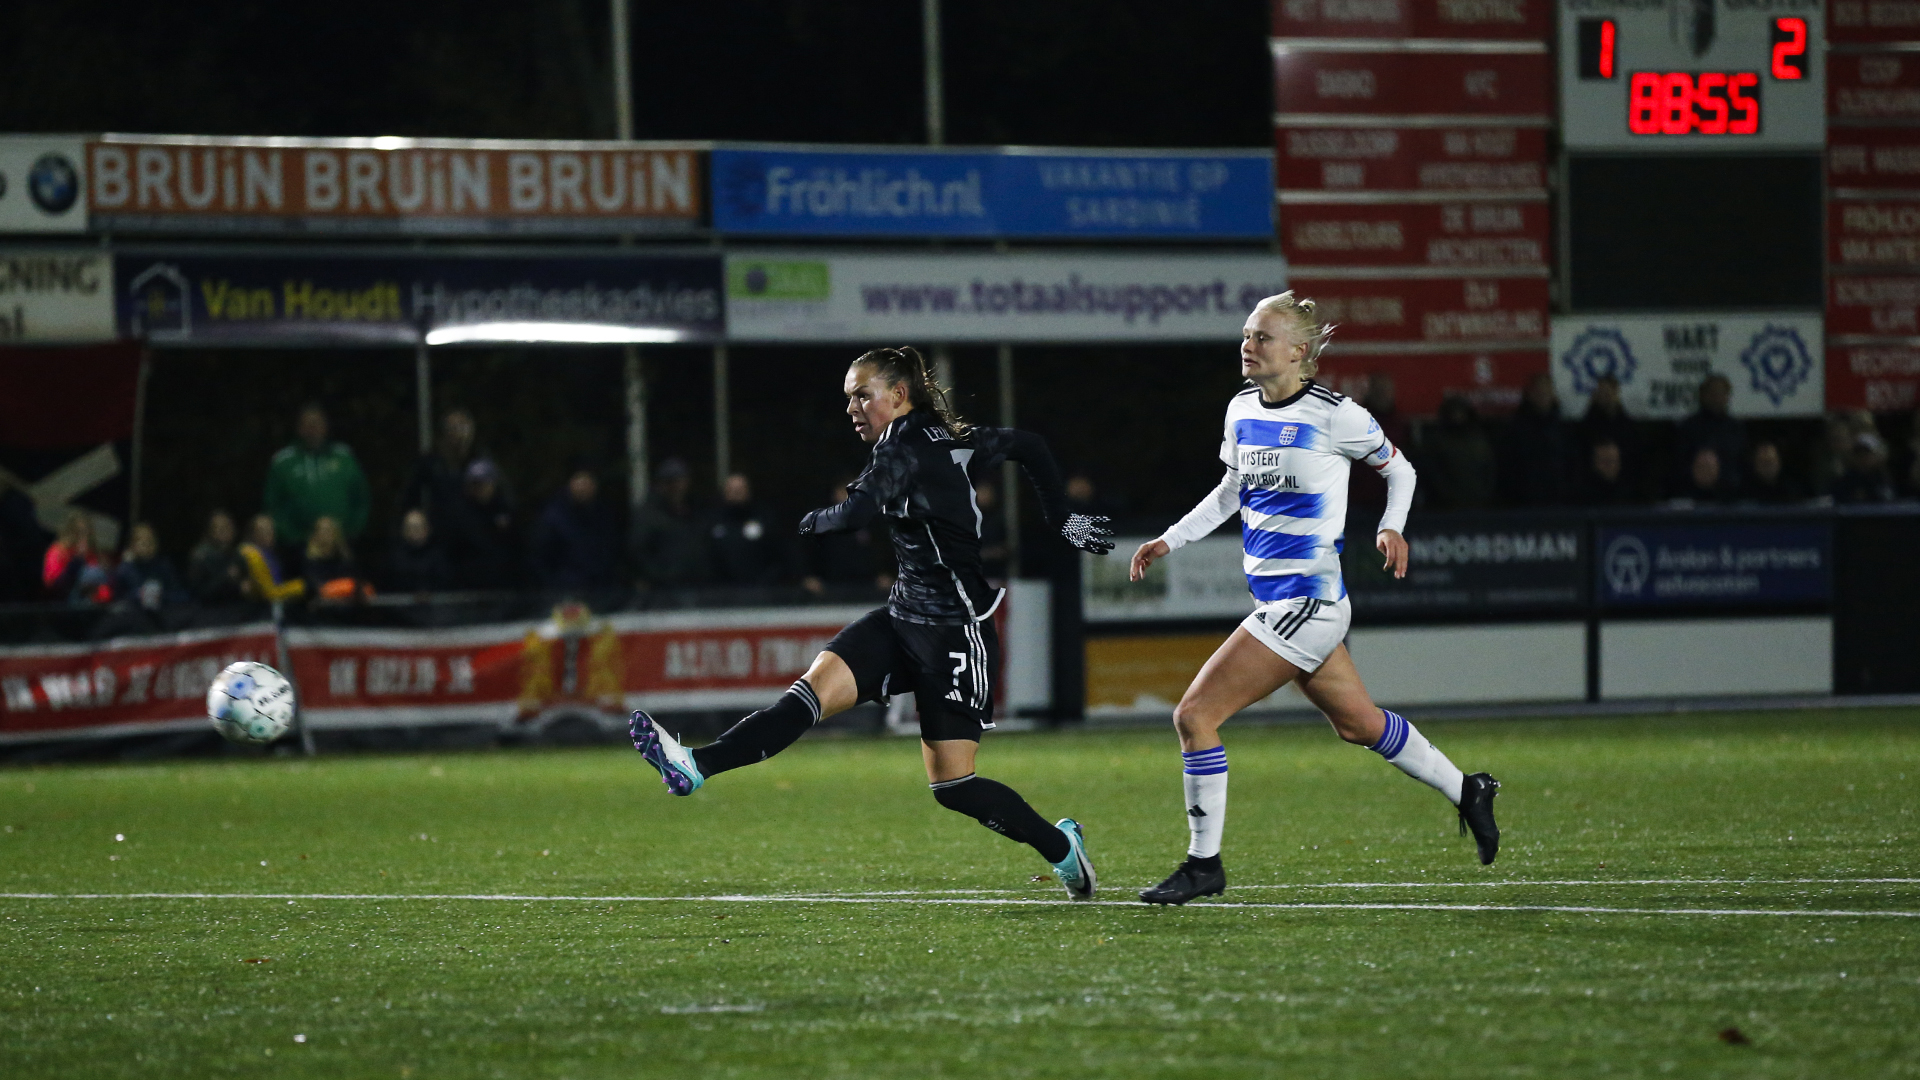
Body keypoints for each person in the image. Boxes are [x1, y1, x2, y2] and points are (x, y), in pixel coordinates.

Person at [628, 346, 1115, 899]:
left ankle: (1060, 849)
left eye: (863, 395)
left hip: (956, 634)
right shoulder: (941, 437)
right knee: (807, 694)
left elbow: (854, 515)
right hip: (901, 616)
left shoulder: (902, 452)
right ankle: (694, 765)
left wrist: (812, 520)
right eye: (849, 398)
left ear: (899, 395)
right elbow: (1029, 445)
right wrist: (1063, 518)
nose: (853, 407)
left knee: (954, 785)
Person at [1127, 292, 1500, 906]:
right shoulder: (1241, 407)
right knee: (1360, 725)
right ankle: (1468, 789)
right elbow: (1230, 490)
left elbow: (1399, 470)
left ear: (1300, 353)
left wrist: (1392, 525)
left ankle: (1203, 865)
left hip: (1308, 603)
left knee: (1194, 716)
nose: (1248, 346)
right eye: (1246, 335)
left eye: (1262, 337)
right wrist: (1171, 539)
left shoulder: (1337, 415)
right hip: (1283, 602)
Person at [263, 403, 371, 553]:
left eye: (317, 423)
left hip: (343, 544)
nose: (313, 429)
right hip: (298, 547)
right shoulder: (283, 462)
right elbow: (273, 505)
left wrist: (352, 531)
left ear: (326, 426)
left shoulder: (344, 456)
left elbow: (361, 498)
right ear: (299, 428)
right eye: (308, 424)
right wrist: (292, 536)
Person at [531, 464, 620, 591]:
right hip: (566, 590)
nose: (583, 488)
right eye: (579, 482)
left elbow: (611, 550)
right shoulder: (554, 516)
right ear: (570, 484)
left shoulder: (604, 514)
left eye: (588, 482)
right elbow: (541, 556)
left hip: (601, 589)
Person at [629, 457, 709, 590]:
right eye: (673, 482)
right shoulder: (649, 515)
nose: (679, 486)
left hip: (697, 586)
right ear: (662, 485)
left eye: (682, 481)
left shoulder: (694, 511)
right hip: (664, 591)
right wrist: (660, 576)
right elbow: (638, 551)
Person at [800, 478, 888, 596]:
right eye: (845, 492)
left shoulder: (871, 524)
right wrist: (809, 576)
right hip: (829, 588)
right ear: (835, 494)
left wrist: (883, 575)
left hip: (865, 588)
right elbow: (808, 553)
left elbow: (880, 554)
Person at [1498, 372, 1573, 506]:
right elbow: (1508, 467)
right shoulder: (1515, 428)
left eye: (1546, 392)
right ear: (1530, 395)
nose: (1543, 396)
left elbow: (1571, 464)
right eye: (1539, 392)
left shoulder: (1563, 428)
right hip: (1525, 503)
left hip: (1559, 502)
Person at [705, 473, 790, 587]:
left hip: (760, 591)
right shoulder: (713, 523)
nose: (736, 493)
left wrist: (765, 583)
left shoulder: (764, 520)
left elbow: (780, 555)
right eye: (732, 489)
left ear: (748, 491)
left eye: (740, 489)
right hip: (722, 593)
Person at [1415, 395, 1497, 509]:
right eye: (1454, 412)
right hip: (1446, 507)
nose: (1457, 416)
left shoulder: (1478, 439)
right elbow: (1434, 473)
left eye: (1461, 412)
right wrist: (1447, 496)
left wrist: (1484, 494)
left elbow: (1489, 468)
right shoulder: (1436, 441)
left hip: (1478, 503)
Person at [448, 459, 519, 588]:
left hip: (503, 586)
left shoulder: (505, 511)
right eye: (475, 484)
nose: (480, 488)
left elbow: (515, 549)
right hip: (469, 588)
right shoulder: (460, 515)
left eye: (485, 482)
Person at [1674, 374, 1745, 492]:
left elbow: (1740, 462)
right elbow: (1679, 462)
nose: (1717, 397)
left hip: (1729, 494)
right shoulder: (1688, 427)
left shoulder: (1735, 428)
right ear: (1703, 395)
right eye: (1712, 393)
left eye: (1721, 393)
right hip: (1691, 492)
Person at [111, 522, 188, 613]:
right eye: (142, 542)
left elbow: (181, 595)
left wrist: (162, 596)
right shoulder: (125, 570)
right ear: (132, 545)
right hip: (134, 616)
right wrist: (137, 596)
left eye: (150, 541)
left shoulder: (164, 566)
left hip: (163, 615)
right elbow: (116, 599)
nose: (147, 546)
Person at [42, 510, 112, 604]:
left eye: (87, 533)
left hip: (90, 604)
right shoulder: (58, 551)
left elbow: (103, 587)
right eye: (79, 532)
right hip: (63, 601)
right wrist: (76, 561)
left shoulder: (92, 553)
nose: (83, 537)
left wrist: (100, 595)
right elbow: (52, 583)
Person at [238, 513, 305, 604]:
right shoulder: (251, 554)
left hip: (281, 601)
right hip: (262, 606)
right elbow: (269, 593)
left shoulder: (274, 551)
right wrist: (301, 586)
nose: (268, 533)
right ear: (252, 533)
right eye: (262, 530)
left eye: (270, 528)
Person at [302, 516, 368, 603]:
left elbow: (354, 583)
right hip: (320, 608)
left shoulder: (344, 559)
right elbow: (312, 587)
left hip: (346, 607)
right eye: (321, 530)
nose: (324, 534)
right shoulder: (309, 561)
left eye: (328, 530)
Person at [187, 510, 247, 605]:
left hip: (237, 608)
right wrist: (226, 577)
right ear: (210, 531)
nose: (224, 530)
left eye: (227, 526)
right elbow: (198, 593)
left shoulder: (239, 552)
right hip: (212, 611)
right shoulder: (201, 556)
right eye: (218, 527)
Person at [387, 508, 454, 593]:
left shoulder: (439, 557)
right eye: (410, 527)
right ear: (403, 531)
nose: (414, 531)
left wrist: (428, 590)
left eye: (418, 527)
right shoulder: (395, 558)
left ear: (427, 529)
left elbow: (446, 582)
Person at [1833, 431, 1896, 504]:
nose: (1863, 458)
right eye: (1859, 454)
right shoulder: (1845, 480)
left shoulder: (1884, 477)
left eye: (1867, 453)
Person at [1739, 442, 1804, 505]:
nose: (1768, 468)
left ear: (1779, 462)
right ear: (1755, 464)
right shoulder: (1745, 492)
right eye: (1763, 463)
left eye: (1770, 462)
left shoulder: (1793, 490)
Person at [1577, 439, 1633, 506]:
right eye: (1604, 461)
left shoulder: (1630, 495)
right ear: (1593, 463)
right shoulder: (1582, 498)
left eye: (1613, 461)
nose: (1610, 466)